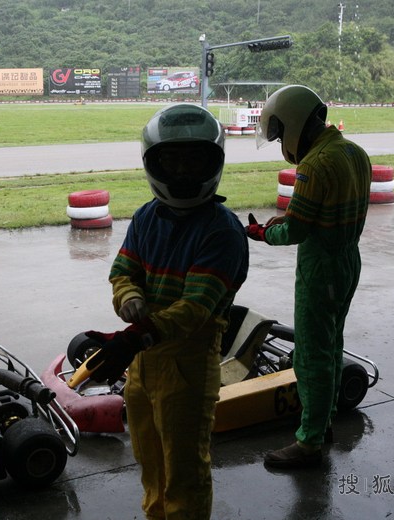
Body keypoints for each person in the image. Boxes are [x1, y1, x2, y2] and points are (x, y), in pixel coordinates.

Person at [86, 103, 249, 519]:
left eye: (192, 160)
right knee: (150, 458)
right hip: (143, 361)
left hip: (188, 364)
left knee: (184, 471)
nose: (180, 172)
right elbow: (122, 270)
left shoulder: (222, 231)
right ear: (153, 163)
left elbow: (196, 308)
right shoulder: (146, 217)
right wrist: (128, 298)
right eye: (171, 161)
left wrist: (138, 334)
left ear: (212, 162)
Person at [247, 84, 372, 469]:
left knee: (311, 356)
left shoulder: (314, 165)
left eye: (281, 132)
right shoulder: (354, 153)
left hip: (320, 269)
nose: (283, 140)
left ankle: (309, 443)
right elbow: (321, 212)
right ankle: (324, 419)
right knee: (331, 345)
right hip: (348, 259)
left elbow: (297, 232)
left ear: (296, 123)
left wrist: (263, 233)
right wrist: (290, 218)